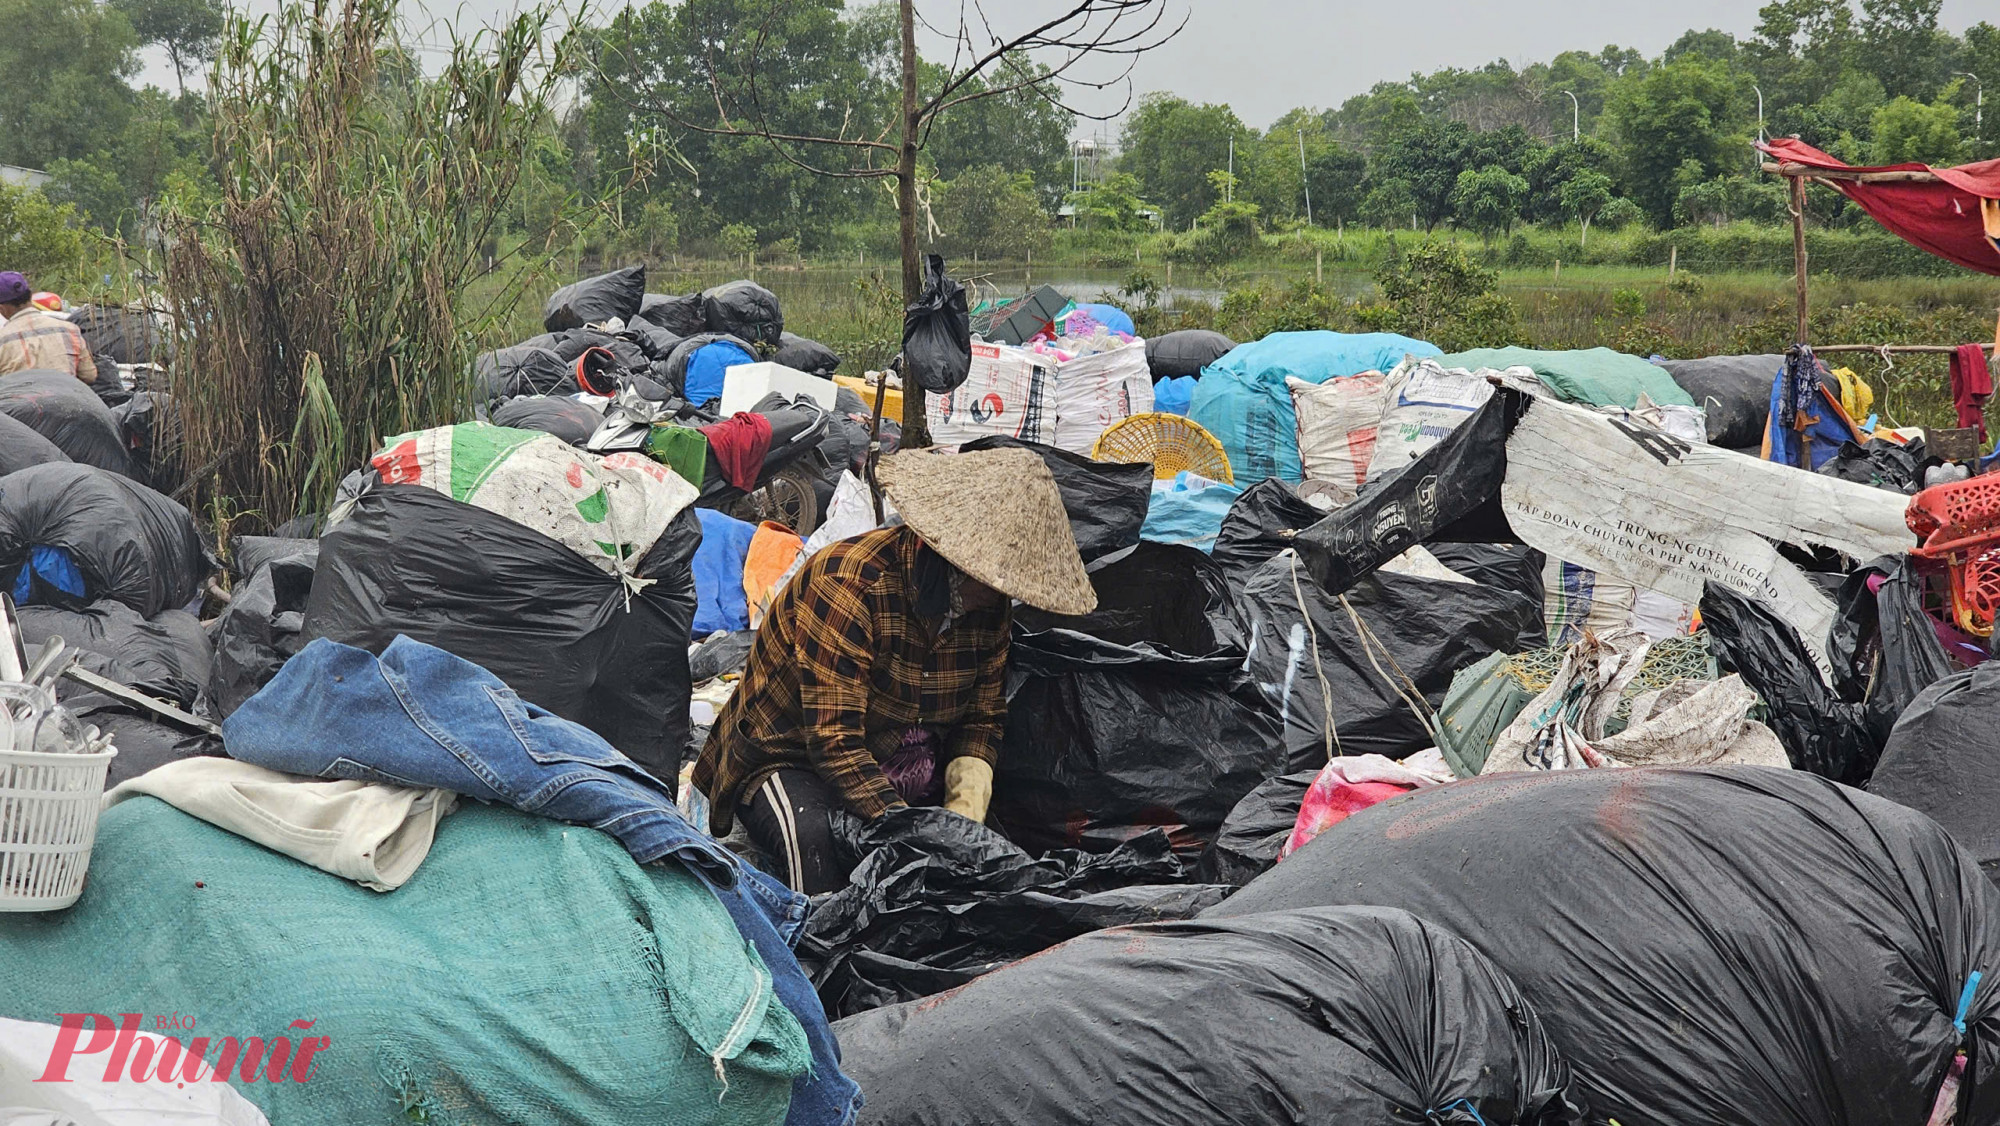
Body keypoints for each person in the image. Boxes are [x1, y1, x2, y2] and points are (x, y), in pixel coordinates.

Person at [693, 446, 1096, 894]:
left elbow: (981, 719)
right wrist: (911, 830)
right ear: (950, 558)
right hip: (789, 753)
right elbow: (833, 740)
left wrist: (964, 817)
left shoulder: (988, 607)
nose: (1001, 595)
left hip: (896, 750)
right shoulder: (849, 585)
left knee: (991, 870)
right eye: (992, 579)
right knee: (818, 862)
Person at [0, 272, 92, 381]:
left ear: (2, 308)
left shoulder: (2, 339)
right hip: (66, 396)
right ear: (30, 296)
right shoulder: (70, 329)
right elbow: (89, 376)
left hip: (19, 397)